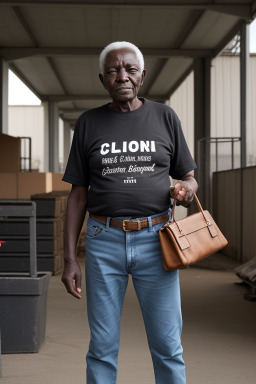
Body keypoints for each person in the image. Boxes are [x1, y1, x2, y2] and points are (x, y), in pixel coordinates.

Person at [61, 41, 198, 384]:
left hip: (158, 241)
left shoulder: (165, 117)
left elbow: (189, 176)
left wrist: (186, 190)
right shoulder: (89, 123)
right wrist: (69, 259)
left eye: (130, 69)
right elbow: (78, 194)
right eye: (113, 70)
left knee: (167, 345)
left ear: (142, 76)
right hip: (103, 241)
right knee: (102, 346)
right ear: (102, 79)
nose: (122, 76)